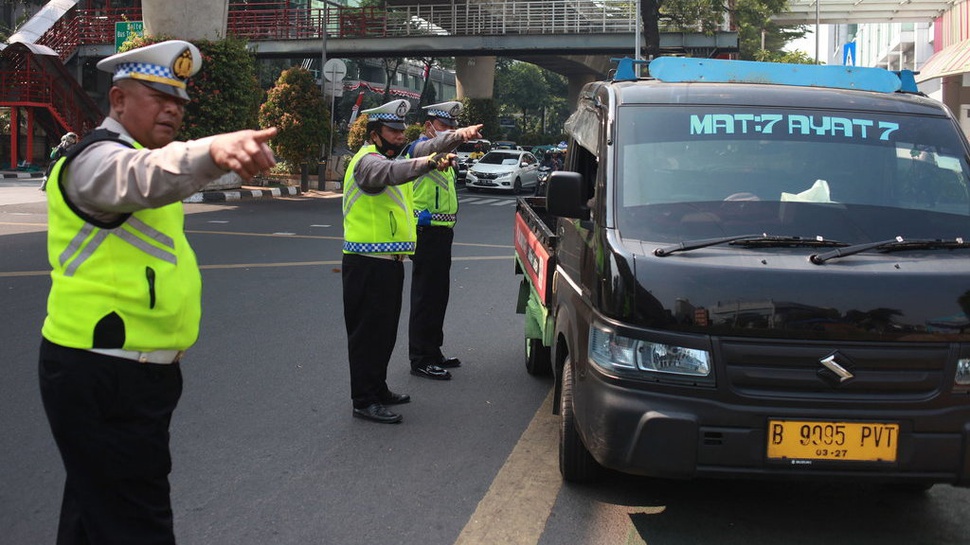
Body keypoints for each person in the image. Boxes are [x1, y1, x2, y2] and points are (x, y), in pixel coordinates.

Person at [39, 40, 277, 544]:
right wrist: (211, 150)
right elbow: (141, 178)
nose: (173, 109)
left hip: (133, 371)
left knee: (94, 511)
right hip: (104, 370)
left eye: (180, 102)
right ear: (119, 100)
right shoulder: (95, 161)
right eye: (157, 96)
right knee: (136, 522)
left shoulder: (137, 156)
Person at [342, 99, 482, 424]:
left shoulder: (392, 154)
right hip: (365, 263)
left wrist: (458, 135)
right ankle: (363, 400)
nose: (400, 137)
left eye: (402, 131)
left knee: (385, 332)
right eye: (392, 131)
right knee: (368, 335)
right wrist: (431, 164)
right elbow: (393, 173)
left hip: (389, 262)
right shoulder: (367, 163)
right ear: (375, 133)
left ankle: (378, 388)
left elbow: (428, 146)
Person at [407, 101, 467, 381]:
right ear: (429, 126)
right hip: (425, 232)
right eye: (445, 128)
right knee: (425, 297)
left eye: (453, 129)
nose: (450, 134)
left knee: (438, 295)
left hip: (443, 233)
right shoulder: (418, 151)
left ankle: (433, 350)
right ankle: (420, 357)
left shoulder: (445, 155)